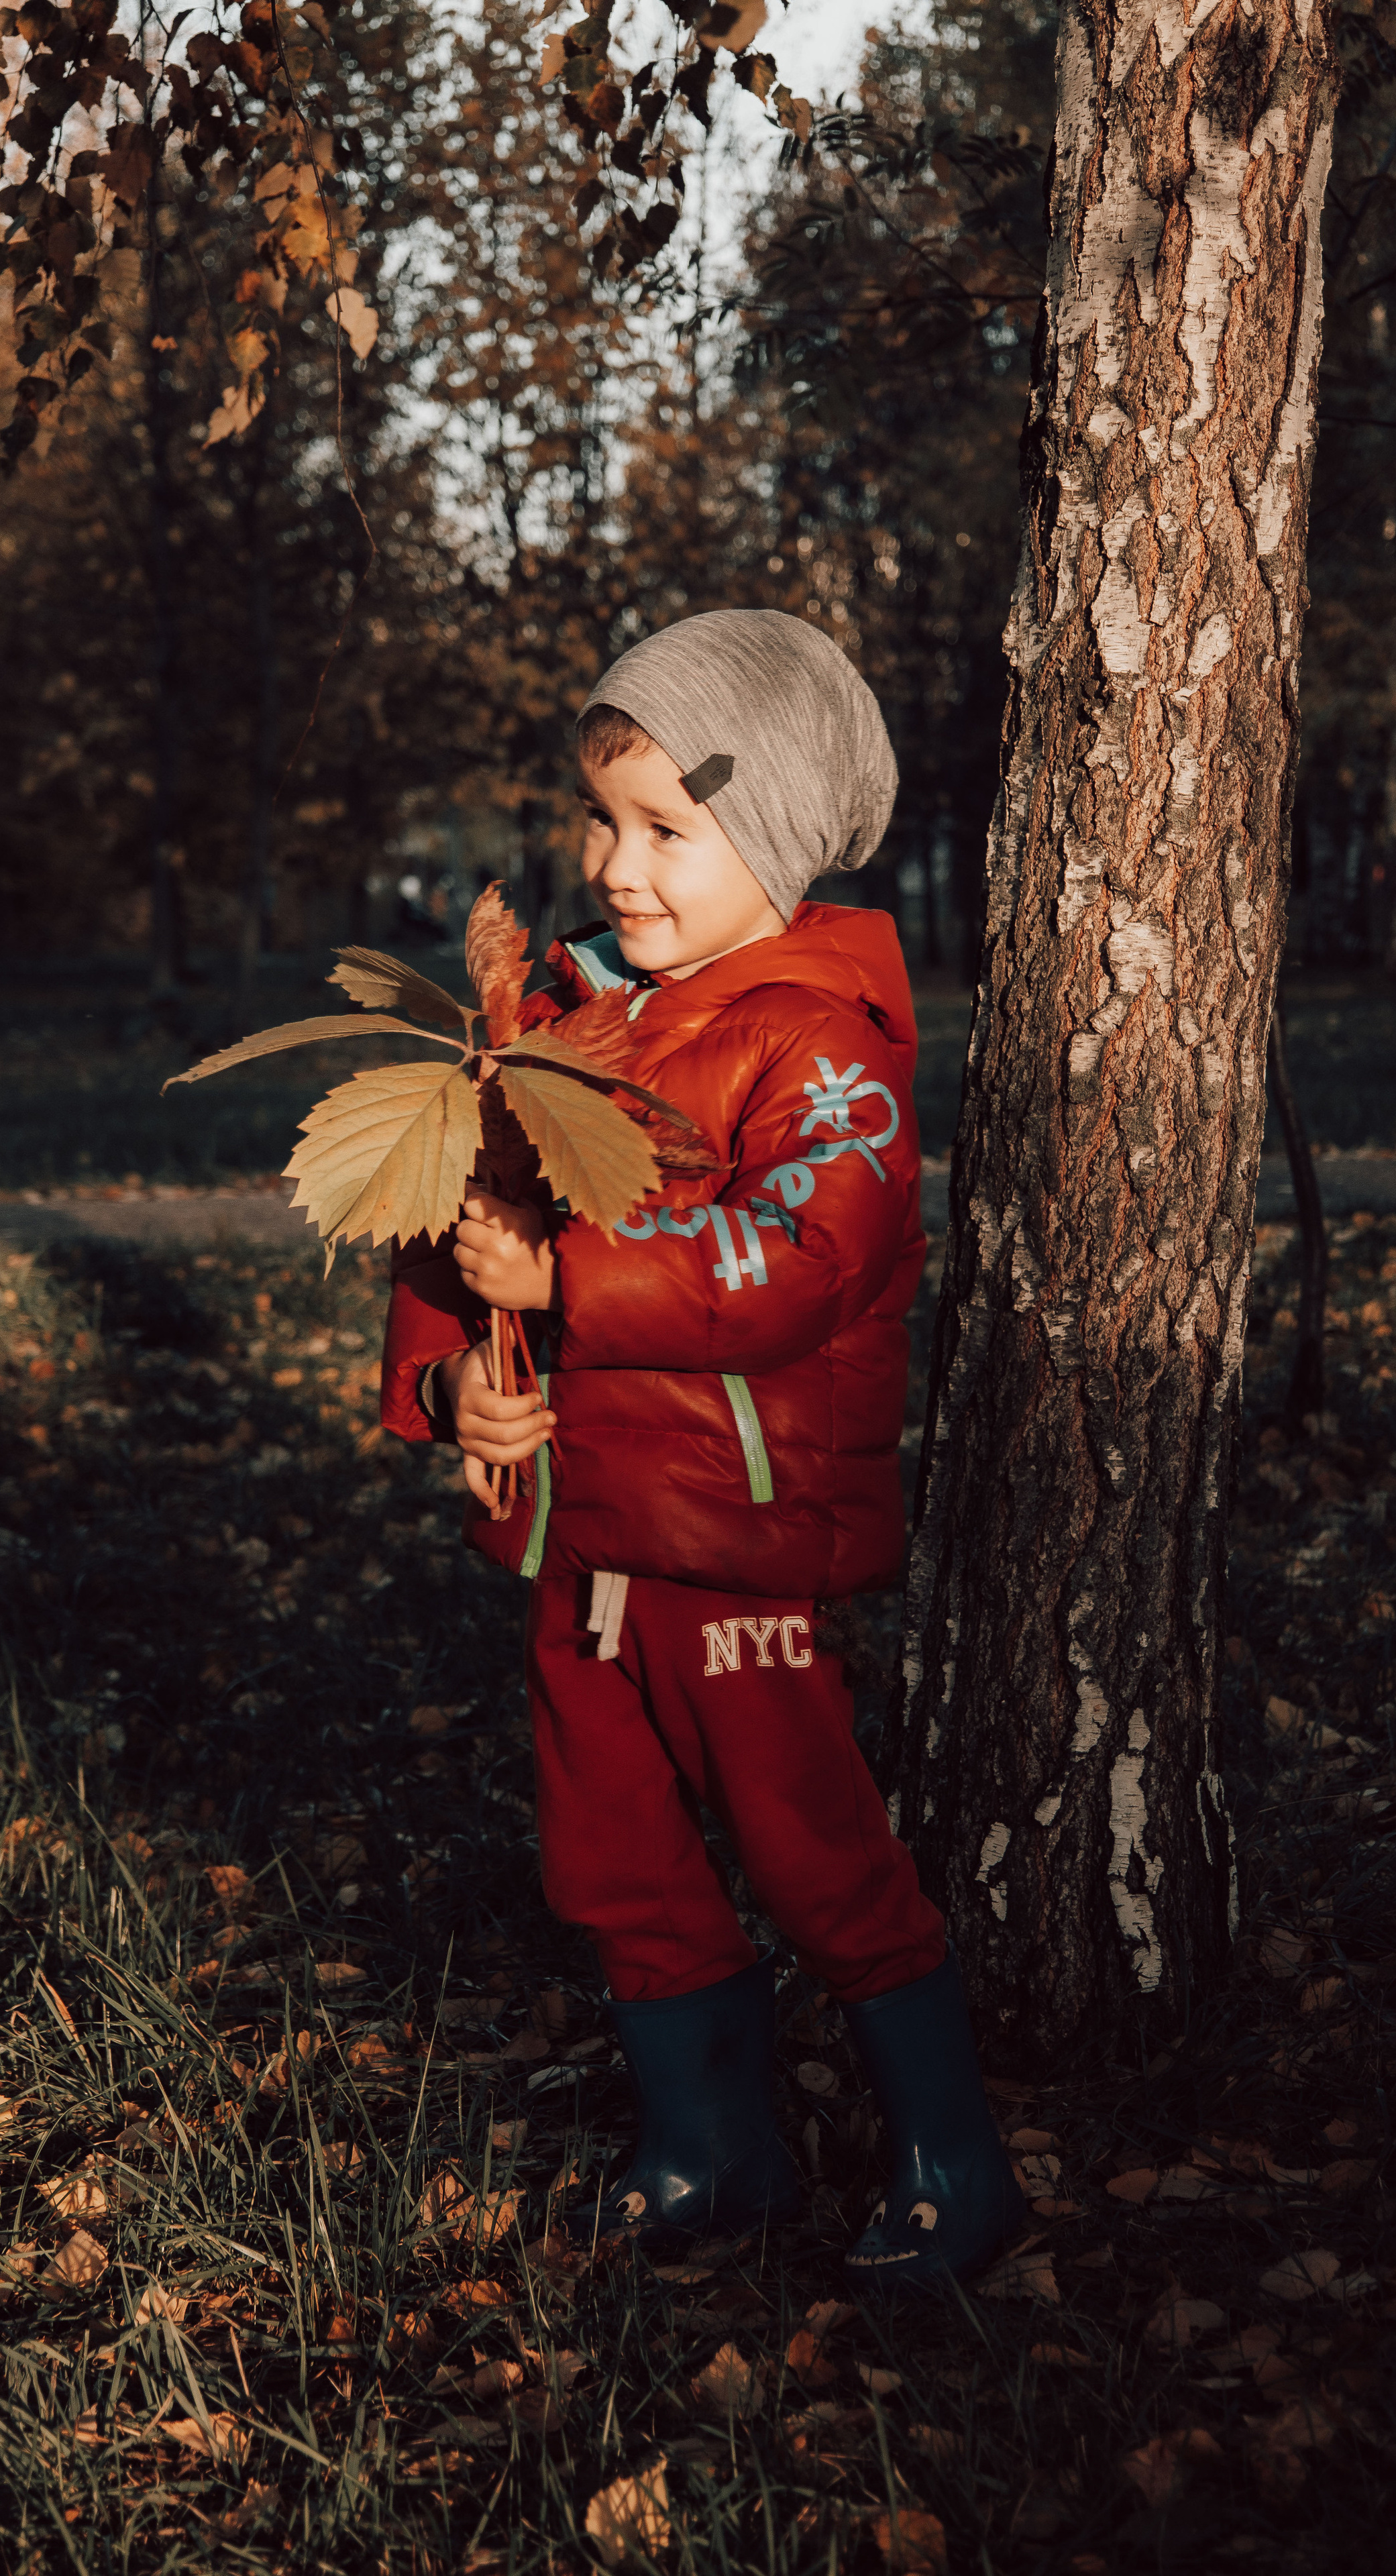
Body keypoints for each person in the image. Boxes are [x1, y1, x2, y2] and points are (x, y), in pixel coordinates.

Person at [380, 610, 1024, 2290]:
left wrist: (569, 1282)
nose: (615, 865)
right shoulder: (562, 1023)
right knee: (611, 1851)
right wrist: (460, 1382)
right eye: (603, 818)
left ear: (785, 836)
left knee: (812, 1844)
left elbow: (801, 1258)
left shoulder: (822, 1047)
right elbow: (450, 1225)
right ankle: (703, 2150)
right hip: (576, 1539)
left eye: (670, 827)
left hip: (728, 1540)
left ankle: (952, 2153)